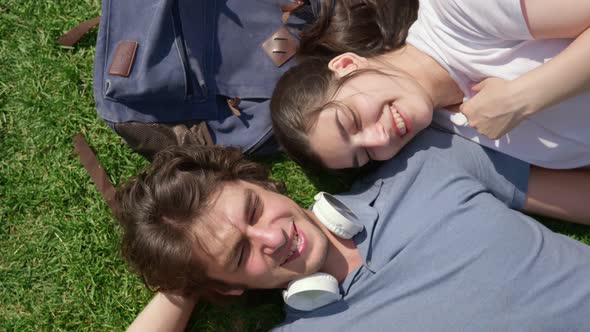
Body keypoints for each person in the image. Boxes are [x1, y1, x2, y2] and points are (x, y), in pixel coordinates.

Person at [118, 129, 590, 331]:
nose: (273, 238)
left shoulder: (424, 163)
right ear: (229, 286)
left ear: (257, 180)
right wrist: (183, 284)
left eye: (255, 210)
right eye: (241, 255)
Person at [270, 0, 590, 170]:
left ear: (346, 64)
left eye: (352, 120)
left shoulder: (459, 12)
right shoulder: (449, 136)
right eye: (366, 154)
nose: (380, 137)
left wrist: (523, 97)